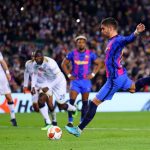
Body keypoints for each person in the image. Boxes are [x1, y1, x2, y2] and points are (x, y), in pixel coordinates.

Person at [65, 17, 145, 137]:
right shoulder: (111, 41)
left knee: (94, 103)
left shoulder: (117, 40)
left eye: (103, 28)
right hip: (121, 75)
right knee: (134, 87)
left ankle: (79, 130)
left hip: (114, 79)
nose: (101, 31)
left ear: (110, 28)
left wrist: (136, 32)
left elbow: (128, 39)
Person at [31, 50, 77, 130]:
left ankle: (73, 108)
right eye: (36, 58)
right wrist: (33, 86)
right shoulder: (35, 64)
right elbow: (34, 74)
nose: (37, 59)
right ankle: (48, 122)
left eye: (39, 57)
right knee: (41, 100)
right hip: (48, 81)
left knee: (61, 106)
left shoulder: (50, 63)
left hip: (59, 82)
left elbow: (58, 77)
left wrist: (49, 86)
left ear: (42, 57)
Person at [61, 35, 101, 127]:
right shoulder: (72, 54)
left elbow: (99, 63)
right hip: (75, 81)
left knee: (85, 102)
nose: (81, 43)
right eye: (79, 42)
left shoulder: (90, 54)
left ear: (85, 43)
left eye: (83, 42)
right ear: (76, 43)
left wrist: (93, 74)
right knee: (71, 101)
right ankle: (70, 121)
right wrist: (68, 75)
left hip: (85, 81)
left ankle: (81, 121)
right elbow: (63, 64)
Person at [23, 52, 57, 128]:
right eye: (32, 57)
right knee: (35, 106)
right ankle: (47, 119)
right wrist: (25, 85)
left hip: (45, 84)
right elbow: (26, 73)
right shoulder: (28, 64)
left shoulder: (43, 63)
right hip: (35, 86)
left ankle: (52, 121)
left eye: (34, 56)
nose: (33, 58)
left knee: (49, 104)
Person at [0, 51, 17, 126]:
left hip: (1, 77)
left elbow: (2, 62)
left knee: (8, 97)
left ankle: (13, 118)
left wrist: (7, 72)